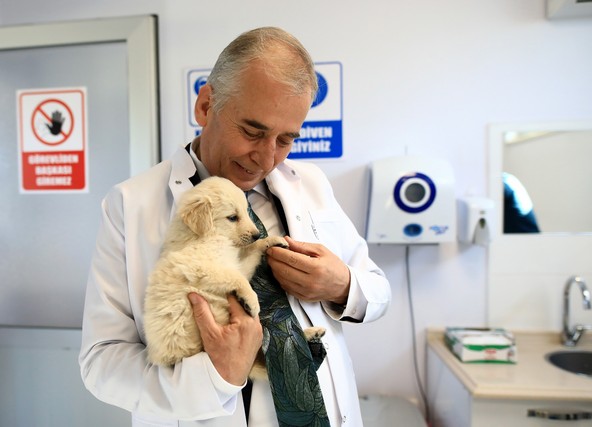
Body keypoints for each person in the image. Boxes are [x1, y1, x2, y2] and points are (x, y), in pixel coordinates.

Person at [78, 27, 391, 427]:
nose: (266, 158)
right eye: (252, 132)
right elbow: (101, 361)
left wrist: (342, 285)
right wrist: (212, 379)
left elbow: (378, 290)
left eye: (285, 140)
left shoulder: (311, 185)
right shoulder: (131, 204)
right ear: (206, 105)